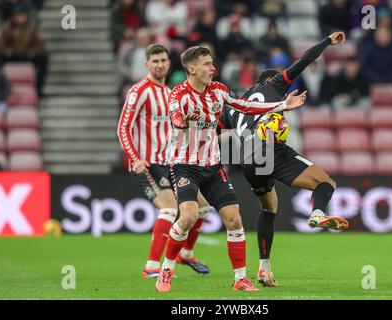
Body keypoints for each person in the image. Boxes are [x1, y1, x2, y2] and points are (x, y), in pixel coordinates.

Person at [155, 46, 308, 293]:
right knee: (188, 216)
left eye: (212, 63)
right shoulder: (179, 96)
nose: (212, 68)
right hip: (185, 166)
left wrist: (282, 105)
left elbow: (245, 106)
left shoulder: (219, 91)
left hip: (213, 166)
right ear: (191, 69)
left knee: (234, 219)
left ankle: (240, 279)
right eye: (206, 64)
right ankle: (166, 269)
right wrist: (183, 122)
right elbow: (175, 119)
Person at [217, 32, 350, 287]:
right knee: (326, 184)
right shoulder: (274, 85)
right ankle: (318, 212)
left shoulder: (234, 105)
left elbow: (215, 133)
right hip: (269, 149)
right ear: (270, 80)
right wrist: (327, 41)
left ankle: (264, 269)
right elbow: (303, 60)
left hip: (246, 158)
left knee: (268, 208)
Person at [117, 44, 210, 279]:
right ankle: (151, 266)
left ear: (169, 63)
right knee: (169, 209)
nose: (159, 64)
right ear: (147, 64)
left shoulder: (170, 93)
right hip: (147, 163)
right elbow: (123, 128)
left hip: (172, 162)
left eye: (163, 60)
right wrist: (135, 158)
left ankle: (186, 253)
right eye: (154, 61)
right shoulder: (139, 91)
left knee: (203, 207)